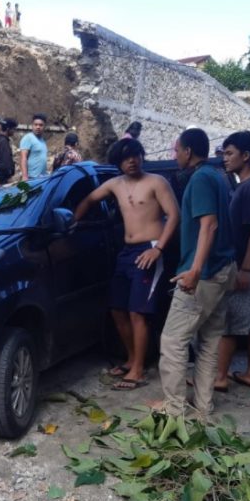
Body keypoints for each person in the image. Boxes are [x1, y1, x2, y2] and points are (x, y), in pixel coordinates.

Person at [74, 139, 180, 390]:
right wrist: (73, 223)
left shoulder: (157, 182)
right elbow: (89, 200)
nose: (132, 161)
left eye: (135, 155)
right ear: (118, 162)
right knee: (117, 309)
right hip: (126, 251)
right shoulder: (114, 184)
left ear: (142, 156)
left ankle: (138, 370)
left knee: (137, 311)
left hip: (149, 249)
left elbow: (174, 215)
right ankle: (132, 358)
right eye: (125, 158)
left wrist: (158, 249)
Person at [151, 128, 236, 417]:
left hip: (205, 274)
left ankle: (174, 409)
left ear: (188, 151)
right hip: (224, 269)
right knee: (210, 340)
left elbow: (209, 225)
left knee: (173, 341)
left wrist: (195, 270)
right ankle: (203, 405)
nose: (174, 156)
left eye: (176, 150)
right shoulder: (218, 175)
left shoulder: (200, 179)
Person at [214, 131, 250, 392]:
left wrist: (245, 268)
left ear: (246, 156)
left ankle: (219, 377)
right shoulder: (246, 186)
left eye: (229, 153)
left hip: (248, 265)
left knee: (230, 321)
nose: (225, 159)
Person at [19, 113, 48, 181]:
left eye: (41, 125)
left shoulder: (42, 141)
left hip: (42, 178)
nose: (38, 127)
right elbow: (23, 158)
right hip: (31, 178)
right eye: (36, 125)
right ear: (32, 125)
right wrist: (25, 176)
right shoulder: (28, 138)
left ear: (44, 126)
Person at [0, 118, 17, 185]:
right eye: (13, 129)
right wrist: (9, 175)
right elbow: (5, 161)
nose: (14, 131)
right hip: (3, 178)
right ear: (8, 129)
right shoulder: (3, 142)